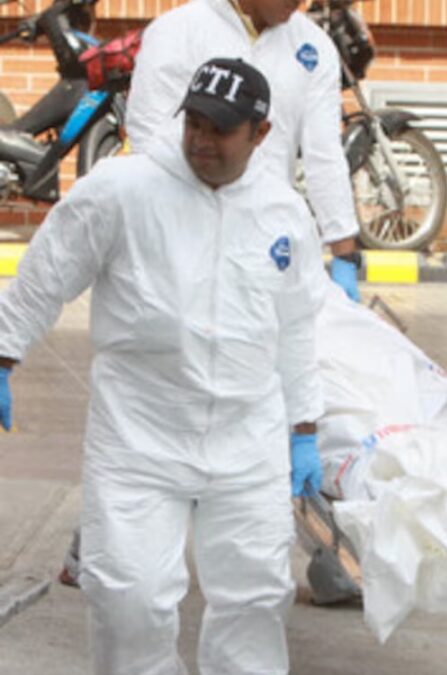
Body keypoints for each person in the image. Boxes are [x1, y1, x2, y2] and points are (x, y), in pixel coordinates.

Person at [0, 58, 325, 674]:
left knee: (255, 597)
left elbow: (299, 325)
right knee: (128, 596)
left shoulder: (284, 213)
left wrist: (305, 428)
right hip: (138, 439)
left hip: (247, 443)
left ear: (260, 134)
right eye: (194, 123)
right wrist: (2, 354)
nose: (201, 140)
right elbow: (44, 277)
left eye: (219, 130)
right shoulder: (123, 190)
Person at [126, 0, 363, 301]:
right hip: (182, 241)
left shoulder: (314, 47)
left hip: (266, 249)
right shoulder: (177, 32)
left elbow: (325, 155)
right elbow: (150, 140)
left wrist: (345, 257)